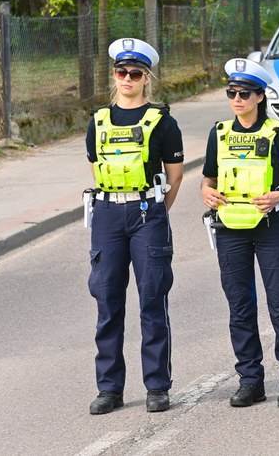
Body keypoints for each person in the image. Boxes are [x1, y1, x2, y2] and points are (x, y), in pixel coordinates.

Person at [200, 58, 279, 408]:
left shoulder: (278, 132)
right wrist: (206, 191)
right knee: (240, 307)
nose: (237, 99)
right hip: (230, 229)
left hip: (270, 228)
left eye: (244, 93)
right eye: (231, 92)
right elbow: (208, 178)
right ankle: (251, 380)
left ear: (260, 97)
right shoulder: (219, 133)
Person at [85, 38, 184, 415]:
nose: (127, 78)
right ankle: (109, 388)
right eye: (121, 72)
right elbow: (96, 169)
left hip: (147, 213)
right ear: (114, 75)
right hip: (108, 213)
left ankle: (157, 386)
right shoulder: (97, 121)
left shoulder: (163, 122)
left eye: (135, 73)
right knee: (107, 303)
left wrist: (154, 211)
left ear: (147, 78)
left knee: (152, 301)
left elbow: (174, 177)